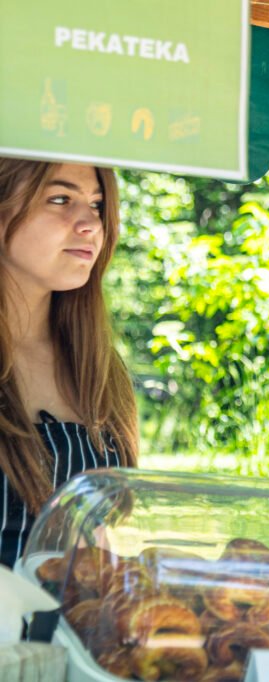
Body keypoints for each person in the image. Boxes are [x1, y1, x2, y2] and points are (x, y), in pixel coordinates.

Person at [0, 158, 138, 568]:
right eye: (61, 199)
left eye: (97, 205)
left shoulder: (98, 365)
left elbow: (98, 540)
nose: (90, 224)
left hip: (69, 631)